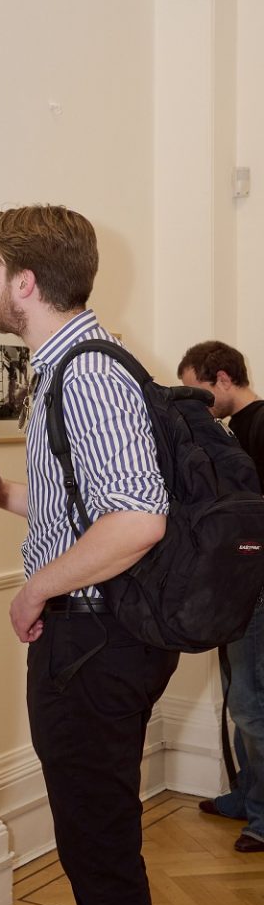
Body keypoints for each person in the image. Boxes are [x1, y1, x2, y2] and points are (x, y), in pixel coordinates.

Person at [0, 205, 178, 905]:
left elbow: (136, 520)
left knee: (99, 852)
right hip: (99, 637)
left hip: (93, 641)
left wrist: (35, 589)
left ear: (25, 282)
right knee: (96, 838)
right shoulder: (71, 366)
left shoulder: (86, 374)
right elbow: (84, 508)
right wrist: (4, 495)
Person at [178, 340, 264, 853]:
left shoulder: (262, 426)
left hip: (257, 590)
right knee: (240, 699)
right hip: (235, 588)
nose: (197, 404)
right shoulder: (230, 430)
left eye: (200, 392)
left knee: (254, 705)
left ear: (224, 378)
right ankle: (247, 796)